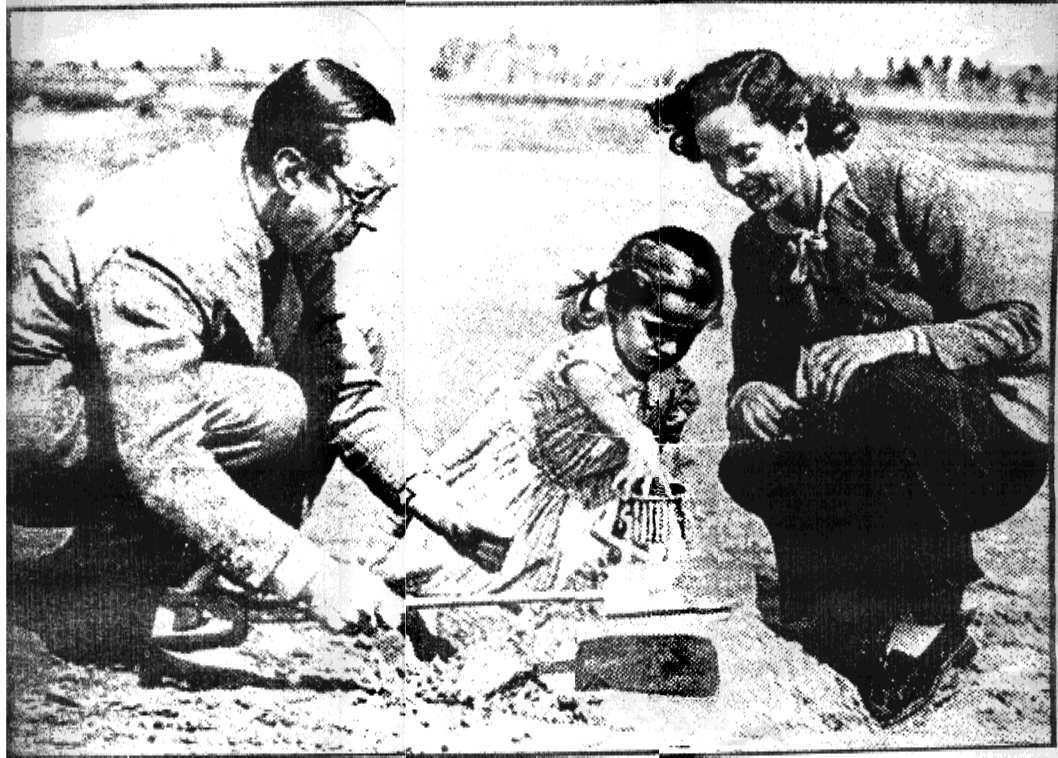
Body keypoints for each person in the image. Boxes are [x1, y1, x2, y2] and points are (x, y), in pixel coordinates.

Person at [7, 58, 508, 650]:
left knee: (344, 351)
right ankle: (102, 594)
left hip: (121, 413)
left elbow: (343, 382)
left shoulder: (298, 226)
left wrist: (431, 497)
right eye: (361, 196)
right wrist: (314, 578)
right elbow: (161, 453)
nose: (367, 223)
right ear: (292, 171)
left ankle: (100, 579)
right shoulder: (169, 232)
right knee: (274, 407)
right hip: (34, 425)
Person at [648, 50, 1050, 725]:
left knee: (889, 383)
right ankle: (843, 605)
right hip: (887, 439)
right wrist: (748, 396)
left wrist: (902, 339)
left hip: (992, 444)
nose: (730, 177)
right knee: (754, 460)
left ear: (797, 127)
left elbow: (1020, 324)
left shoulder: (908, 187)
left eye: (745, 153)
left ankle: (930, 620)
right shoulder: (757, 244)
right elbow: (757, 370)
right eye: (715, 163)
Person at [404, 227, 723, 596]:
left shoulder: (671, 388)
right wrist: (637, 435)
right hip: (513, 475)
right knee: (453, 566)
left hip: (565, 500)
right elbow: (596, 393)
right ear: (617, 306)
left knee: (527, 588)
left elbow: (658, 459)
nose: (667, 348)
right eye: (655, 329)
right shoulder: (590, 355)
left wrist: (661, 480)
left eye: (685, 337)